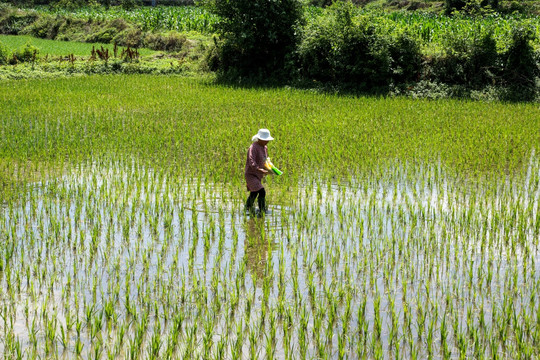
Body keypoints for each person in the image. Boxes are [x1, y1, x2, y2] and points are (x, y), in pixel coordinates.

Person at [244, 128, 274, 216]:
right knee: (261, 191)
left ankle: (247, 208)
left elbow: (266, 160)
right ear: (259, 139)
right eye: (265, 140)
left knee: (254, 192)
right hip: (251, 174)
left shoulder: (265, 148)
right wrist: (258, 169)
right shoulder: (253, 147)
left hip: (258, 174)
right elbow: (251, 160)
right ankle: (262, 211)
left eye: (267, 140)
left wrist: (270, 169)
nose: (266, 142)